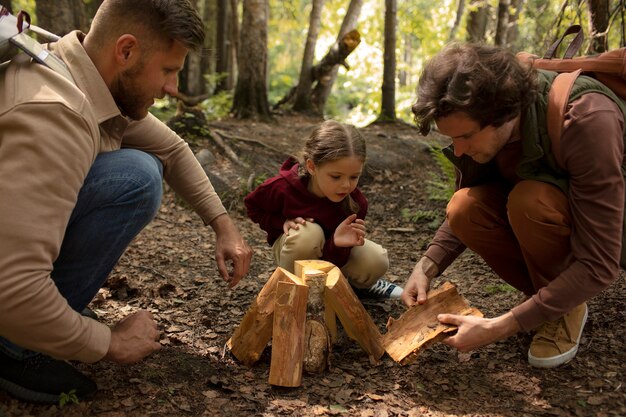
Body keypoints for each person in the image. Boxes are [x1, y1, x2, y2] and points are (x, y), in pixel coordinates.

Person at [0, 0, 252, 403]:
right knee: (135, 177)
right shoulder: (55, 114)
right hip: (7, 294)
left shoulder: (83, 76)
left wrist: (224, 225)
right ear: (127, 50)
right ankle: (12, 347)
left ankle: (50, 318)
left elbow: (172, 149)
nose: (173, 89)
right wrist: (109, 342)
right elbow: (11, 290)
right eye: (168, 70)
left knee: (142, 167)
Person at [403, 43, 625, 368]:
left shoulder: (587, 118)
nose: (459, 151)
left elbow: (599, 262)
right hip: (560, 212)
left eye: (465, 137)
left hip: (609, 223)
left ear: (503, 115)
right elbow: (472, 200)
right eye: (452, 140)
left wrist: (500, 325)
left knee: (530, 201)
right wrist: (425, 266)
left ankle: (561, 310)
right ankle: (550, 301)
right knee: (464, 207)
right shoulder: (483, 134)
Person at [245, 120, 402, 299]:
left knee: (376, 259)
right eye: (335, 176)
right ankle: (290, 292)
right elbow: (253, 207)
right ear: (311, 167)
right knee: (308, 234)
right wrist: (282, 222)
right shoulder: (282, 187)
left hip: (333, 253)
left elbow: (335, 256)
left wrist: (337, 244)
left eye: (354, 177)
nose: (346, 185)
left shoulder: (356, 203)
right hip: (295, 250)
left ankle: (353, 287)